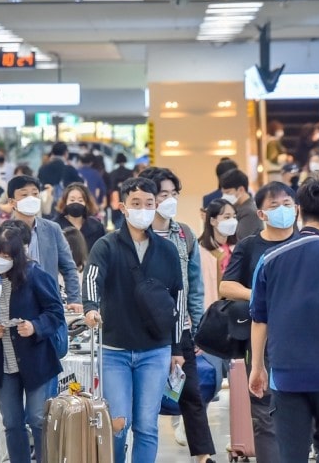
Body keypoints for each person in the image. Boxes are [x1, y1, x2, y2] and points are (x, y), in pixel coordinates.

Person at [248, 176, 319, 463]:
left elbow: (259, 318)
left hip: (286, 373)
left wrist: (257, 367)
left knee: (291, 454)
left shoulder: (269, 259)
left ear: (299, 211)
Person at [82, 176, 184, 463]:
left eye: (149, 203)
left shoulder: (167, 250)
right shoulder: (106, 245)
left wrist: (177, 348)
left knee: (147, 425)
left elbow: (177, 300)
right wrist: (91, 308)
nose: (143, 209)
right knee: (117, 424)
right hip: (114, 350)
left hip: (155, 350)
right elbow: (92, 278)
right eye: (136, 203)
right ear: (123, 207)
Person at [139, 167, 216, 462]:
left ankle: (203, 456)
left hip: (179, 327)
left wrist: (195, 329)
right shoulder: (135, 234)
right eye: (163, 195)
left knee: (191, 393)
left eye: (174, 194)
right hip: (143, 329)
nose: (169, 200)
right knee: (145, 399)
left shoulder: (184, 234)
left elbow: (194, 286)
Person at [219, 181, 298, 463]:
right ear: (262, 213)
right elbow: (226, 286)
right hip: (262, 339)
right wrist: (259, 295)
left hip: (303, 339)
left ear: (297, 209)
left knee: (299, 413)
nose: (282, 210)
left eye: (287, 204)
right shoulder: (250, 245)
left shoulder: (305, 243)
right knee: (264, 414)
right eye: (274, 205)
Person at [0, 226, 64, 463]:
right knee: (11, 422)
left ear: (17, 256)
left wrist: (35, 326)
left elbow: (55, 312)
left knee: (38, 419)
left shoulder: (35, 275)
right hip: (4, 362)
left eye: (5, 255)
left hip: (36, 361)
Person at [7, 175, 82, 311]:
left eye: (35, 194)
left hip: (49, 302)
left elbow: (69, 267)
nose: (31, 198)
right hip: (16, 303)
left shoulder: (53, 229)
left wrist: (74, 299)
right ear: (12, 202)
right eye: (24, 195)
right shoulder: (4, 232)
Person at [198, 198, 238, 308]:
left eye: (234, 217)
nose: (232, 221)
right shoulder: (200, 251)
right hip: (210, 308)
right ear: (213, 221)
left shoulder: (238, 249)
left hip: (235, 308)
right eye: (227, 217)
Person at [53, 182, 105, 252]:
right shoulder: (55, 227)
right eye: (72, 200)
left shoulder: (97, 227)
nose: (76, 203)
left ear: (86, 203)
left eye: (80, 200)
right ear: (65, 202)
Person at [220, 168, 264, 241]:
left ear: (241, 190)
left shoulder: (250, 212)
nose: (225, 196)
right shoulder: (236, 207)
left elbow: (242, 242)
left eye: (228, 192)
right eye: (223, 193)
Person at [108, 153, 133, 229]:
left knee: (117, 220)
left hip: (115, 198)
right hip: (127, 197)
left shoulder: (112, 173)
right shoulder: (130, 172)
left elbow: (111, 187)